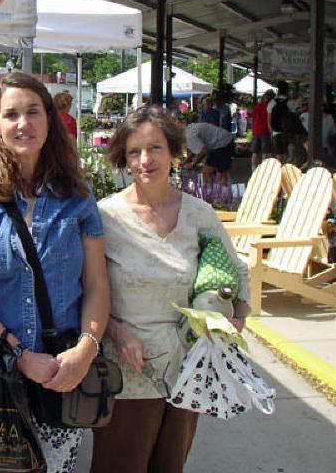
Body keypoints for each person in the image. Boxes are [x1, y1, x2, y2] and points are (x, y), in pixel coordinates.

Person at [0, 73, 110, 473]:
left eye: (33, 112)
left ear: (51, 120)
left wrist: (86, 350)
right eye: (12, 114)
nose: (23, 123)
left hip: (62, 371)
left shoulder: (78, 197)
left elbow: (95, 284)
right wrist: (19, 356)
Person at [90, 106, 249, 473]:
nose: (146, 160)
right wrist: (115, 332)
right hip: (129, 373)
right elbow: (86, 291)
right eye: (134, 151)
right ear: (123, 159)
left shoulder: (199, 214)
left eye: (155, 148)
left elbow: (236, 271)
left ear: (175, 152)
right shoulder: (104, 217)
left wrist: (235, 321)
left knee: (170, 465)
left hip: (187, 371)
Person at [181, 121, 235, 191]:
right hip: (225, 140)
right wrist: (186, 161)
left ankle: (212, 195)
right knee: (221, 172)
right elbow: (196, 148)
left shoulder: (189, 137)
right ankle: (222, 193)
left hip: (222, 144)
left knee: (207, 172)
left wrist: (193, 164)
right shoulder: (188, 131)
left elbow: (204, 151)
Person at [267, 80, 298, 163]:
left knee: (278, 155)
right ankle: (284, 171)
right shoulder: (292, 103)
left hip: (275, 132)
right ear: (287, 90)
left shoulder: (272, 102)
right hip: (287, 132)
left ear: (278, 90)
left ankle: (279, 171)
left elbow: (269, 121)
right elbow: (294, 119)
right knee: (286, 154)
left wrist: (271, 133)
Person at [250, 89, 274, 171]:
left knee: (255, 153)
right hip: (265, 131)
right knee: (265, 153)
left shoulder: (258, 106)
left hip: (256, 130)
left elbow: (252, 116)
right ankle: (263, 171)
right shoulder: (271, 106)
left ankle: (253, 171)